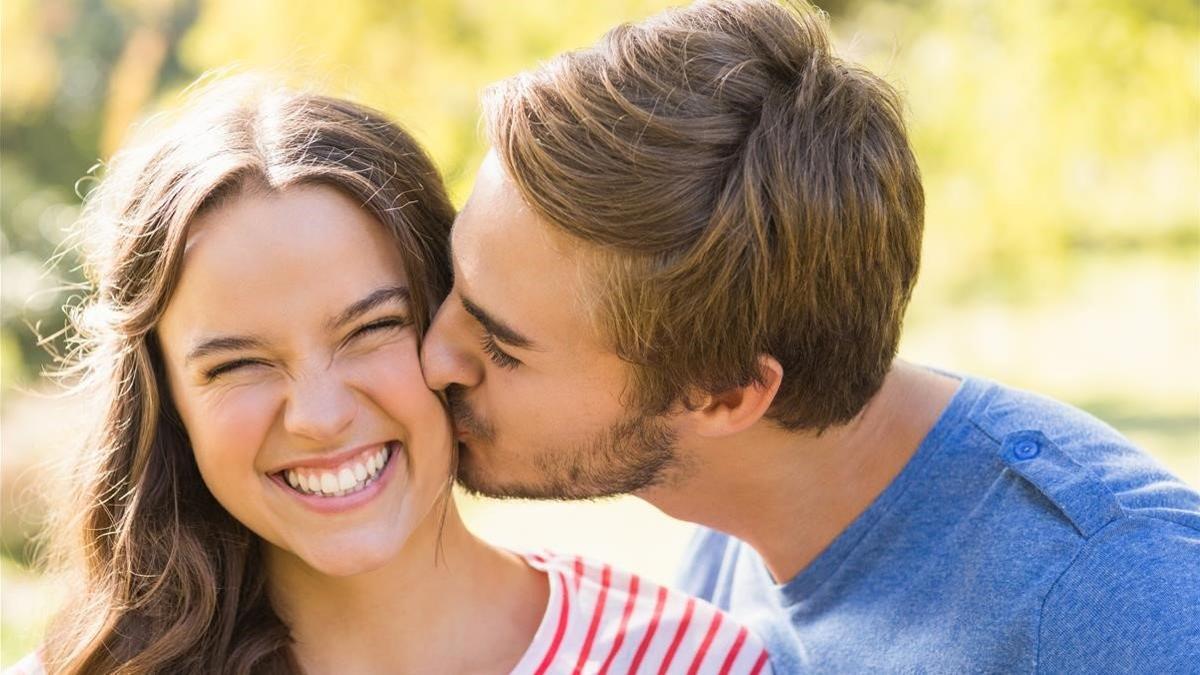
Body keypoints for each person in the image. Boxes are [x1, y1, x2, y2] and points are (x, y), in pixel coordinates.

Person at [419, 0, 1200, 672]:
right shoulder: (738, 517)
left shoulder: (1116, 594)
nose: (432, 355)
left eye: (502, 347)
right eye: (456, 284)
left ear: (726, 394)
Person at [15, 76, 772, 674]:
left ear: (453, 323)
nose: (317, 413)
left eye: (371, 329)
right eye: (238, 363)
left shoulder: (690, 659)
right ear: (169, 401)